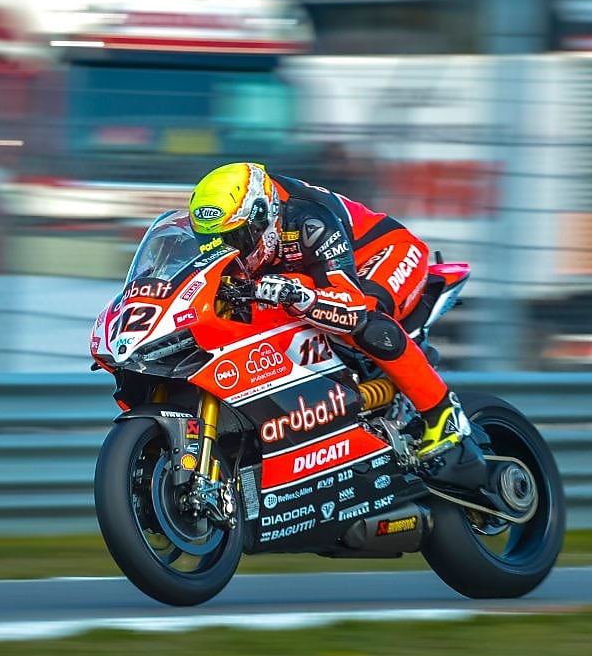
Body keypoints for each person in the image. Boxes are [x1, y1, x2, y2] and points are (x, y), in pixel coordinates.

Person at [187, 162, 490, 492]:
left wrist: (295, 294)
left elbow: (350, 306)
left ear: (264, 216)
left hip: (382, 256)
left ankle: (441, 413)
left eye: (236, 238)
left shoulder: (309, 220)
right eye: (215, 241)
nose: (229, 250)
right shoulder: (249, 238)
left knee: (368, 319)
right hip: (311, 276)